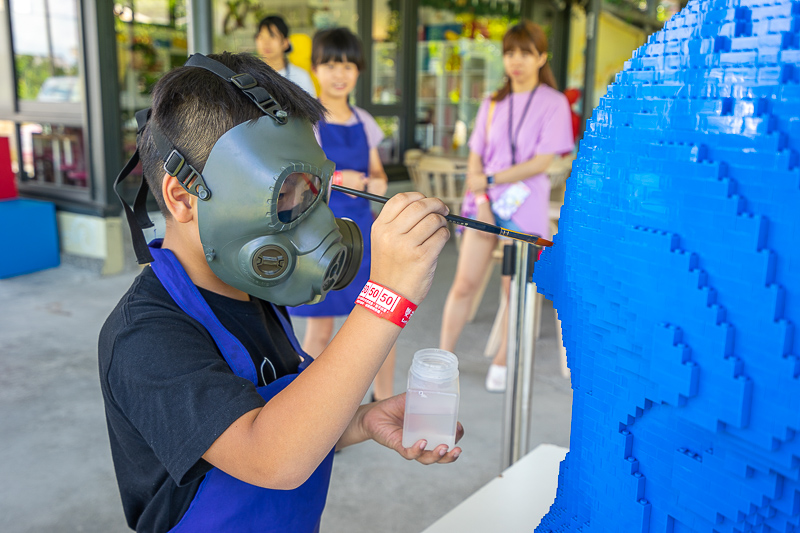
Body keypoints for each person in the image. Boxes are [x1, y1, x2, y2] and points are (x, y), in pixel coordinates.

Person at [99, 52, 462, 533]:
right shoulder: (145, 337)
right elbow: (270, 456)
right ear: (183, 197)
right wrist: (387, 294)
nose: (306, 217)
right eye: (282, 196)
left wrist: (361, 420)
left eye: (310, 190)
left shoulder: (255, 293)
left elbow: (288, 421)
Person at [439, 21, 575, 392]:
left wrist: (494, 181)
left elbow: (543, 161)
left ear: (541, 57)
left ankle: (502, 358)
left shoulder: (554, 102)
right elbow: (476, 156)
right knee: (464, 282)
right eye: (510, 52)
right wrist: (482, 198)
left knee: (513, 287)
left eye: (525, 53)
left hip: (525, 205)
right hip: (484, 203)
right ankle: (442, 356)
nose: (516, 61)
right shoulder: (493, 102)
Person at [287, 27, 396, 402]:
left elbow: (379, 172)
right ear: (315, 68)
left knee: (380, 322)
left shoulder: (365, 121)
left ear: (359, 71)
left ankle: (384, 403)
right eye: (331, 64)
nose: (340, 73)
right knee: (319, 332)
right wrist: (338, 178)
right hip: (321, 237)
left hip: (364, 236)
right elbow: (297, 178)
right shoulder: (307, 120)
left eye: (348, 65)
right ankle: (309, 413)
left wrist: (378, 183)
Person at [255, 14, 317, 96]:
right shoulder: (252, 77)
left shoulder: (301, 77)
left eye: (272, 36)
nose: (266, 42)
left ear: (285, 42)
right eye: (261, 37)